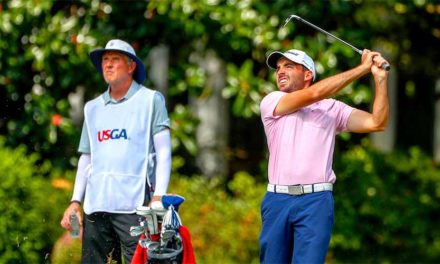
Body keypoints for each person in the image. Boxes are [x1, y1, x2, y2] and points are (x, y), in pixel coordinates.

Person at [259, 48, 389, 263]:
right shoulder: (272, 101)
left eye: (289, 66)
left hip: (316, 201)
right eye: (278, 68)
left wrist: (380, 80)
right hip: (277, 199)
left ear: (308, 74)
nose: (280, 71)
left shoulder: (332, 109)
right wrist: (362, 68)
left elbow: (377, 122)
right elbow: (314, 94)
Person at [60, 39, 172, 264]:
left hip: (135, 205)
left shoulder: (150, 100)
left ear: (131, 66)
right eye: (105, 60)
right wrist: (75, 201)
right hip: (96, 205)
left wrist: (159, 196)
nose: (108, 65)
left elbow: (163, 152)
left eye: (115, 59)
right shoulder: (92, 108)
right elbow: (86, 157)